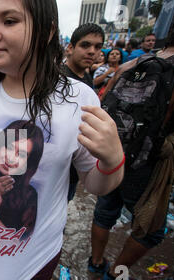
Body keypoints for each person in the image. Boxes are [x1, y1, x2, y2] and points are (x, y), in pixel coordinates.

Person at [0, 0, 124, 280]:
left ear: (47, 31)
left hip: (34, 254)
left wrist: (113, 159)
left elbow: (96, 184)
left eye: (9, 21)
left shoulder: (78, 99)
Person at [89, 18, 174, 280]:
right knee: (152, 231)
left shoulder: (130, 64)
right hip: (148, 162)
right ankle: (115, 275)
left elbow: (104, 108)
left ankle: (96, 262)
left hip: (115, 156)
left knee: (105, 211)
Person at [62, 23, 104, 203]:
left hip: (76, 164)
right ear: (70, 48)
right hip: (59, 164)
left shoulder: (86, 77)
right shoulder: (59, 79)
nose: (92, 51)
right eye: (85, 45)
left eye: (97, 47)